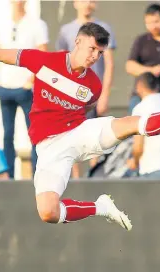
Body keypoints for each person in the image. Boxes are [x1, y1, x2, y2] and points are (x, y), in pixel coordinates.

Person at [0, 22, 160, 231]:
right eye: (92, 49)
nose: (94, 57)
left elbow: (87, 107)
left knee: (127, 125)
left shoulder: (93, 85)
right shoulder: (43, 60)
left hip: (79, 133)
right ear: (77, 42)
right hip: (49, 149)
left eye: (100, 53)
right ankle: (100, 207)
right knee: (48, 212)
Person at [55, 0, 116, 177]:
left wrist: (104, 94)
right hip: (72, 92)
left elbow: (109, 64)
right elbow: (61, 62)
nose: (87, 4)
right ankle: (75, 178)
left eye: (91, 1)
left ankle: (93, 176)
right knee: (72, 134)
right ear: (75, 3)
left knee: (95, 136)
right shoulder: (66, 30)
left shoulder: (104, 28)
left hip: (94, 92)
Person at [0, 0, 49, 178]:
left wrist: (30, 82)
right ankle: (8, 175)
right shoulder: (1, 23)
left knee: (34, 133)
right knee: (8, 134)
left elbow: (43, 55)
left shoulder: (37, 24)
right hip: (5, 88)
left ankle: (36, 176)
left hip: (26, 89)